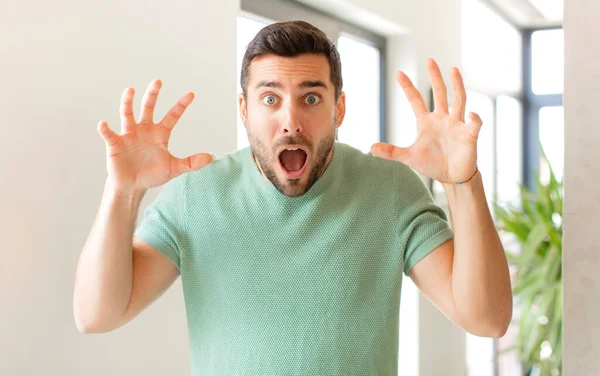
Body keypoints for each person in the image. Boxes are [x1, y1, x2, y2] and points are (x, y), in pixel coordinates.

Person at [73, 20, 512, 375]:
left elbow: (486, 318)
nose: (291, 121)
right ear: (244, 110)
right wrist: (122, 193)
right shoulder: (195, 195)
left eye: (311, 98)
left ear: (338, 108)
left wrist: (463, 182)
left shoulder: (391, 191)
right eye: (270, 98)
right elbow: (96, 315)